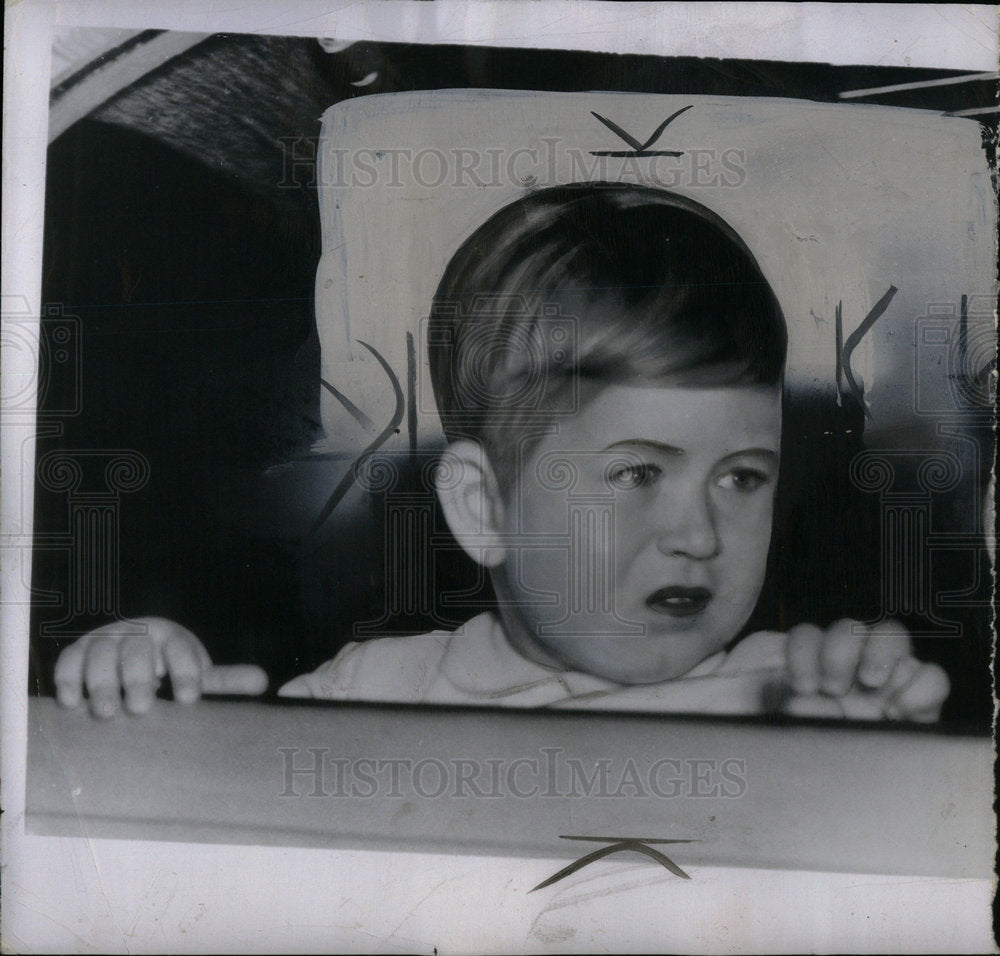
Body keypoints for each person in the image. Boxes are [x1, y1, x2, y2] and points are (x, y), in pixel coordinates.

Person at [53, 184, 950, 721]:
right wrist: (154, 683)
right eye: (638, 473)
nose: (701, 535)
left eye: (742, 477)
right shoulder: (375, 694)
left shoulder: (794, 697)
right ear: (483, 507)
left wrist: (880, 720)